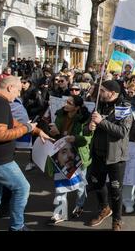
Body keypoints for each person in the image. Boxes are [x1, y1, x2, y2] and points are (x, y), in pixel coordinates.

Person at [0, 76, 52, 231]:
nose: (17, 95)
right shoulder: (0, 104)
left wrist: (36, 130)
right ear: (9, 88)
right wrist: (27, 129)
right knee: (22, 188)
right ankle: (17, 227)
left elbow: (11, 123)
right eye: (17, 90)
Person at [86, 80, 132, 231]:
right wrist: (90, 125)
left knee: (115, 190)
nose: (99, 93)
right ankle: (105, 208)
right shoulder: (99, 103)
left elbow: (122, 132)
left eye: (102, 90)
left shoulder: (123, 107)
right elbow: (90, 123)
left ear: (112, 93)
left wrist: (101, 121)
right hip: (98, 154)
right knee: (96, 184)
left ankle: (117, 220)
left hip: (115, 157)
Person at [46, 95, 91, 225]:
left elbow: (87, 139)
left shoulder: (84, 120)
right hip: (61, 155)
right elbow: (57, 135)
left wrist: (75, 138)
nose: (66, 104)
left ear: (76, 107)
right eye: (66, 101)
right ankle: (59, 213)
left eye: (69, 102)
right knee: (60, 185)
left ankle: (79, 205)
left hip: (78, 155)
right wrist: (53, 132)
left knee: (80, 184)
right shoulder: (60, 115)